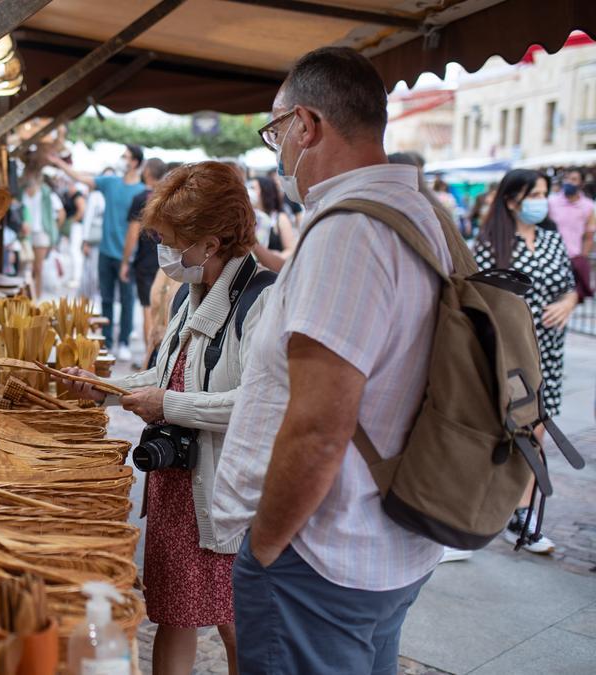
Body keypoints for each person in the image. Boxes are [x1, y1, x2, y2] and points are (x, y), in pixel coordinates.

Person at [212, 47, 449, 674]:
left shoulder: (347, 231)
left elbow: (318, 430)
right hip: (384, 544)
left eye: (275, 131)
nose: (278, 152)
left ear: (306, 126)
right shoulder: (420, 215)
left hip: (319, 557)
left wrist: (264, 547)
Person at [56, 162, 269, 675]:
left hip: (225, 493)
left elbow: (258, 405)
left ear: (212, 244)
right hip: (176, 485)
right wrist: (100, 388)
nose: (166, 255)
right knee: (174, 613)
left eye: (173, 242)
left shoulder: (263, 300)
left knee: (238, 624)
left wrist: (168, 407)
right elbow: (166, 373)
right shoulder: (187, 291)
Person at [475, 169, 578, 554]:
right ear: (511, 199)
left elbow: (570, 288)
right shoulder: (489, 243)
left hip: (549, 350)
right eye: (533, 193)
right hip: (510, 353)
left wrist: (568, 303)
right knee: (503, 427)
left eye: (543, 193)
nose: (540, 200)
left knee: (538, 428)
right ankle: (477, 506)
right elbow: (478, 297)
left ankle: (523, 514)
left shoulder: (552, 240)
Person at [51, 146, 147, 362]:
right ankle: (107, 342)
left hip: (128, 254)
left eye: (126, 157)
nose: (122, 160)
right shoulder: (110, 183)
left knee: (127, 300)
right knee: (105, 299)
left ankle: (123, 341)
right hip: (105, 251)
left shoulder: (141, 191)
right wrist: (60, 163)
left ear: (134, 162)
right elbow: (82, 178)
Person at [120, 158, 167, 366]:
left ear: (147, 171)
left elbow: (132, 234)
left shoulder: (141, 198)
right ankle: (160, 358)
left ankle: (150, 360)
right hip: (168, 258)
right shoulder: (168, 197)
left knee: (148, 307)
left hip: (145, 261)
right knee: (164, 307)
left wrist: (125, 261)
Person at [547, 169, 596, 302]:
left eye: (574, 179)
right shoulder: (551, 202)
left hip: (573, 260)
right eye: (567, 179)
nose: (569, 182)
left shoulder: (588, 206)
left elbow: (589, 235)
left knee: (569, 300)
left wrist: (582, 257)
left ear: (581, 184)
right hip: (551, 259)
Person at [19, 173, 64, 297]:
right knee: (26, 267)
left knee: (38, 267)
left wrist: (53, 229)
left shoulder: (47, 193)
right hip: (25, 233)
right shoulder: (22, 192)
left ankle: (36, 296)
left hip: (41, 233)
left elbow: (61, 214)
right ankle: (26, 296)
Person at [249, 176, 297, 272]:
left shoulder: (280, 218)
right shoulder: (250, 218)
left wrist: (271, 257)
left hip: (273, 273)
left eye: (254, 188)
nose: (250, 192)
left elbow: (291, 250)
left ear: (265, 191)